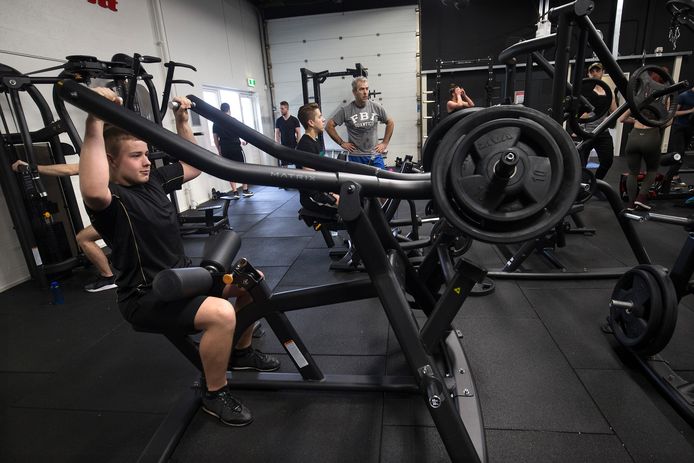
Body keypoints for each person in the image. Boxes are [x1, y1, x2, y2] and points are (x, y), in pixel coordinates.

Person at [79, 88, 279, 427]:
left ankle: (241, 353)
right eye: (135, 156)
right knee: (220, 313)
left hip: (186, 279)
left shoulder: (154, 180)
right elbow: (93, 188)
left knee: (250, 280)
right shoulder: (112, 202)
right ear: (112, 161)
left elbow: (194, 164)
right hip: (146, 296)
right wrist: (94, 120)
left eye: (146, 154)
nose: (146, 161)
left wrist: (182, 121)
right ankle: (214, 393)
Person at [10, 159, 117, 292]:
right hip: (132, 214)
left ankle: (108, 277)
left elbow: (69, 169)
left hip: (124, 217)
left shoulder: (108, 163)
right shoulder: (122, 164)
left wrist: (31, 167)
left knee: (83, 238)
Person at [326, 76, 394, 169]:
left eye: (367, 88)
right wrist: (342, 143)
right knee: (358, 183)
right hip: (356, 157)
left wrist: (384, 143)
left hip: (375, 155)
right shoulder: (346, 110)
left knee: (382, 181)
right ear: (354, 92)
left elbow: (390, 123)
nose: (365, 92)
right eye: (361, 89)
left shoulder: (376, 107)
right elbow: (329, 126)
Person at [296, 103, 339, 215]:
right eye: (319, 117)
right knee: (350, 204)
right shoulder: (305, 145)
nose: (323, 119)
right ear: (311, 122)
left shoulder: (315, 141)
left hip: (321, 190)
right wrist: (332, 196)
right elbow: (311, 183)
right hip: (313, 198)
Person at [577, 62, 617, 181]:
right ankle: (581, 186)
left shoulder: (608, 91)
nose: (595, 73)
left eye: (597, 70)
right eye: (592, 71)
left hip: (602, 132)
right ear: (589, 74)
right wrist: (584, 116)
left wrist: (608, 118)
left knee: (607, 161)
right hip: (586, 132)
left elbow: (614, 111)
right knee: (580, 163)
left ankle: (596, 184)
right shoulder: (585, 91)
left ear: (602, 72)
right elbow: (579, 114)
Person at [619, 108, 663, 210]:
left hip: (633, 139)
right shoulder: (660, 113)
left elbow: (622, 119)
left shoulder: (637, 112)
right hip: (651, 138)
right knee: (652, 170)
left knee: (633, 173)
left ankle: (631, 204)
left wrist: (635, 115)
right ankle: (641, 198)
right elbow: (668, 121)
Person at [212, 102, 253, 199]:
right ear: (229, 110)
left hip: (225, 148)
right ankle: (245, 190)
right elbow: (243, 132)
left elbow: (215, 139)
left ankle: (235, 192)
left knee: (229, 170)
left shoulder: (216, 123)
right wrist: (246, 141)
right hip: (235, 147)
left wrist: (219, 150)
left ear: (220, 110)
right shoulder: (233, 121)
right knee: (243, 168)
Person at [666, 83, 694, 187]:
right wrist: (690, 111)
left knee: (681, 154)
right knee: (679, 154)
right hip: (679, 128)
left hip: (690, 129)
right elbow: (673, 113)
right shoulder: (683, 96)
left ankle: (675, 176)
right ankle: (668, 178)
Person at [274, 101, 301, 166]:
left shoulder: (294, 120)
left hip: (293, 146)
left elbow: (298, 133)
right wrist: (276, 145)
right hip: (283, 146)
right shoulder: (278, 120)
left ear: (287, 108)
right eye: (280, 108)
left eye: (282, 108)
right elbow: (277, 134)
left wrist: (298, 145)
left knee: (297, 164)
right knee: (284, 165)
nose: (281, 110)